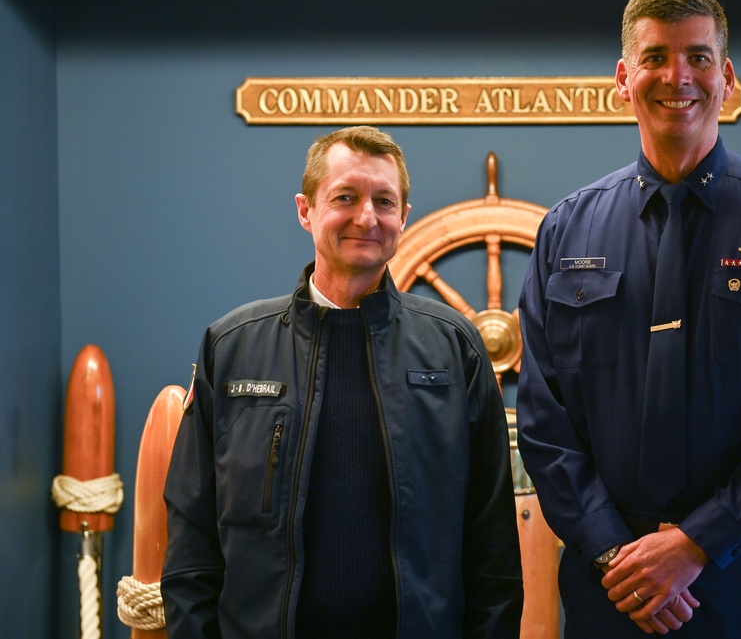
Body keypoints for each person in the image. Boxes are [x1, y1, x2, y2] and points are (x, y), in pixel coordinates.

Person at [516, 0, 741, 638]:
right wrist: (618, 553)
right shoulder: (565, 230)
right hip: (610, 589)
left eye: (698, 56)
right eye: (655, 57)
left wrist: (696, 542)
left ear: (725, 76)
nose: (678, 75)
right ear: (622, 77)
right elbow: (542, 417)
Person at [162, 125, 523, 638]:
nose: (366, 217)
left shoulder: (455, 348)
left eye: (384, 200)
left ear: (404, 218)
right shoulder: (232, 348)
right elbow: (191, 545)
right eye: (345, 197)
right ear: (305, 210)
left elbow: (493, 550)